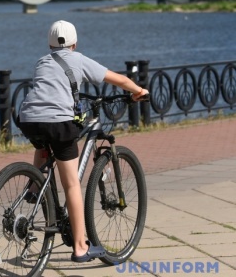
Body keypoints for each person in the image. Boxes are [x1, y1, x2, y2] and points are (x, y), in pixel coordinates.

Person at [17, 20, 149, 262]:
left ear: (49, 43)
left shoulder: (42, 61)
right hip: (58, 123)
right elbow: (116, 78)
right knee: (71, 185)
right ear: (74, 44)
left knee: (44, 146)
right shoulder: (78, 60)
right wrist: (138, 90)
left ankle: (35, 187)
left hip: (28, 119)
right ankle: (80, 247)